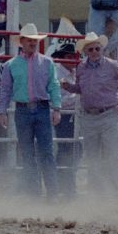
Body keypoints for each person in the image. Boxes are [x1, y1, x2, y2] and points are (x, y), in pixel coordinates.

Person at [60, 31, 118, 194]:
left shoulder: (112, 65)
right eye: (91, 50)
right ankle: (96, 192)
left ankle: (110, 193)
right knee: (92, 157)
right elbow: (81, 89)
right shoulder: (81, 67)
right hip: (89, 115)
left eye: (97, 49)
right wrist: (69, 87)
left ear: (101, 49)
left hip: (109, 114)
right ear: (85, 52)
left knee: (110, 156)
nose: (95, 52)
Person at [0, 23, 62, 198]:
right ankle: (35, 194)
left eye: (35, 40)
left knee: (46, 152)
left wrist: (56, 108)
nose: (33, 43)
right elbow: (5, 90)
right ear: (22, 41)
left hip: (41, 108)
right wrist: (2, 111)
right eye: (30, 40)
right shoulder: (10, 65)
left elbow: (54, 86)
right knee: (27, 153)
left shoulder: (47, 63)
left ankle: (51, 194)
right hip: (23, 110)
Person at [50, 42, 81, 197]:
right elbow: (58, 98)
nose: (73, 60)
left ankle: (67, 184)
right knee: (66, 149)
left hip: (74, 115)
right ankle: (65, 185)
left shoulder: (76, 72)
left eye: (74, 56)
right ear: (62, 59)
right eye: (70, 57)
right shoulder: (57, 74)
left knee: (74, 149)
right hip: (64, 114)